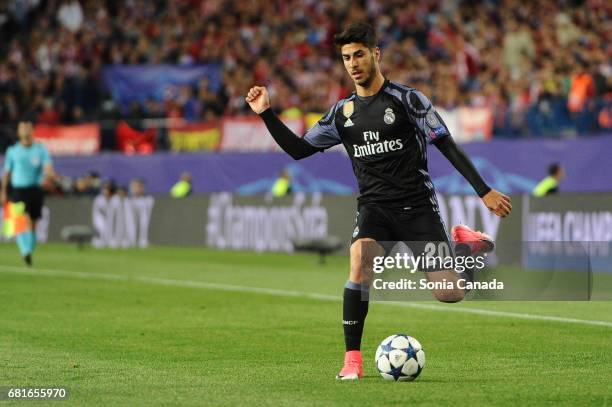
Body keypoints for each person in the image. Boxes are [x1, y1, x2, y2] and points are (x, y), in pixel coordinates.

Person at [245, 22, 512, 380]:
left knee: (450, 293)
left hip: (417, 207)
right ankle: (351, 360)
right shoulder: (341, 114)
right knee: (359, 261)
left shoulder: (408, 100)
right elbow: (298, 150)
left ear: (375, 54)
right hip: (375, 209)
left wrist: (484, 191)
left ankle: (465, 246)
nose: (353, 63)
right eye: (345, 57)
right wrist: (265, 112)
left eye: (358, 54)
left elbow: (445, 144)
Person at [1, 120, 54, 266]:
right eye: (22, 128)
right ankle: (25, 251)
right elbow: (7, 173)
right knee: (17, 222)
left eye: (28, 128)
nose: (25, 130)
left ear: (32, 131)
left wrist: (49, 175)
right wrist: (3, 191)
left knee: (33, 223)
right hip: (18, 189)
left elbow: (48, 167)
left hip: (35, 190)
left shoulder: (40, 149)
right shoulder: (13, 151)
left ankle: (28, 250)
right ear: (18, 132)